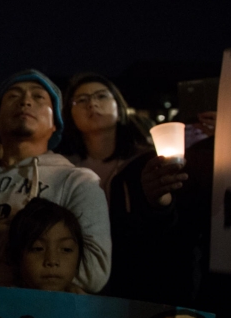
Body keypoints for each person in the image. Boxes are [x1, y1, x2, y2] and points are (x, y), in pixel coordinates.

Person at [0, 69, 111, 293]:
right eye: (13, 96)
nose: (25, 101)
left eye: (38, 97)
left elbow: (94, 272)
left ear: (55, 122)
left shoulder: (77, 181)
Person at [57, 72, 185, 301]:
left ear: (119, 105)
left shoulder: (147, 160)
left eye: (101, 96)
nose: (92, 104)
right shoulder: (62, 168)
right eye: (82, 100)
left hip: (140, 281)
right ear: (69, 112)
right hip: (80, 284)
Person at [6, 198, 84, 292]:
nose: (52, 260)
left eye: (66, 249)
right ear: (16, 257)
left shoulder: (83, 303)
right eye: (38, 248)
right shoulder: (3, 301)